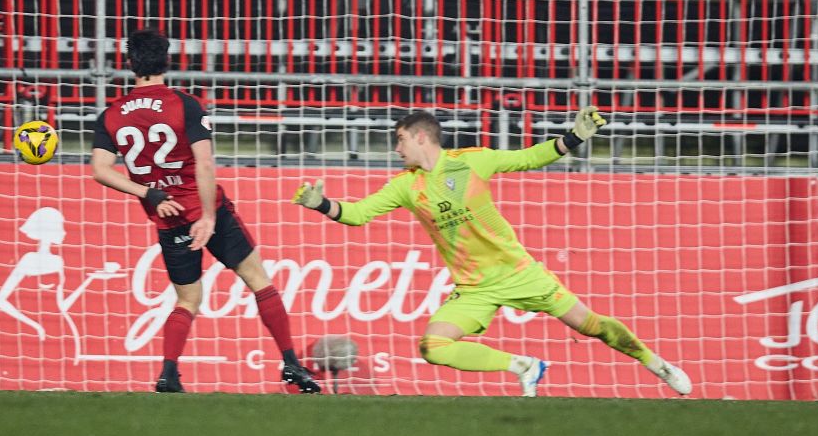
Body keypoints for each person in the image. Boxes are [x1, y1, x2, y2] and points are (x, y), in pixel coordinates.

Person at [292, 108, 692, 398]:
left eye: (399, 139)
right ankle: (523, 366)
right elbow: (359, 214)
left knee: (593, 326)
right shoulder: (405, 186)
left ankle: (656, 364)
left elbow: (528, 158)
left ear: (420, 137)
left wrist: (575, 137)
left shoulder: (472, 162)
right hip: (474, 288)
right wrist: (321, 204)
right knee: (433, 347)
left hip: (520, 272)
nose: (396, 149)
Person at [89, 28, 321, 395]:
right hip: (208, 210)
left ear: (130, 63)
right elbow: (205, 164)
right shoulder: (185, 104)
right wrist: (209, 217)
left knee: (187, 300)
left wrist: (149, 193)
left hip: (168, 218)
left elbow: (100, 170)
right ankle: (291, 364)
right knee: (258, 279)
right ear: (167, 60)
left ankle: (169, 374)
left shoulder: (111, 116)